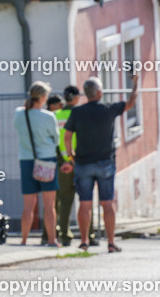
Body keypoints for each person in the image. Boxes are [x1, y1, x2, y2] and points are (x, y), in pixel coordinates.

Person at [64, 74, 138, 252]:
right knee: (107, 204)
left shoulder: (77, 112)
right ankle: (111, 243)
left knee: (85, 204)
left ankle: (84, 242)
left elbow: (67, 136)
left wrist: (71, 156)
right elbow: (130, 103)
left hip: (83, 163)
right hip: (105, 162)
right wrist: (135, 84)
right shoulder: (108, 109)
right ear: (98, 93)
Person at [14, 82, 60, 247]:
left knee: (28, 205)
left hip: (26, 160)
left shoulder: (19, 114)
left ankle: (24, 239)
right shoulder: (48, 117)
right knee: (49, 205)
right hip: (46, 160)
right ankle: (52, 239)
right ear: (42, 97)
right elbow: (56, 139)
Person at [54, 85, 95, 247]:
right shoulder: (82, 114)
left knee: (64, 201)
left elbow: (54, 140)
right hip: (81, 161)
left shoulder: (56, 115)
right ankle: (90, 235)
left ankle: (64, 235)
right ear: (77, 97)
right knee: (86, 200)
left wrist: (64, 160)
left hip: (63, 163)